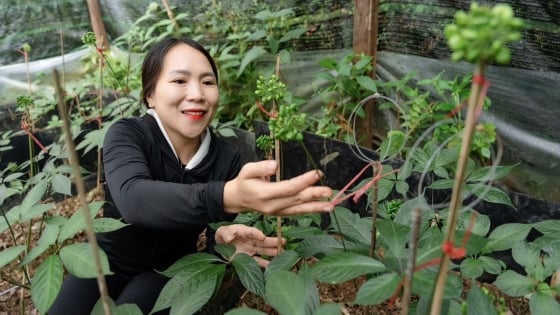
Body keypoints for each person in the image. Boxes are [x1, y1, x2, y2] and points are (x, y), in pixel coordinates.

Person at [48, 37, 334, 314]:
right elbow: (134, 198)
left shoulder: (226, 157)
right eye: (179, 81)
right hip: (107, 258)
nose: (197, 94)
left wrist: (222, 237)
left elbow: (213, 231)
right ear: (150, 94)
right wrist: (226, 196)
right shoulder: (128, 134)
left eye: (207, 82)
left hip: (170, 269)